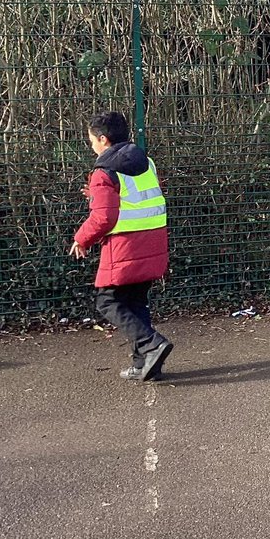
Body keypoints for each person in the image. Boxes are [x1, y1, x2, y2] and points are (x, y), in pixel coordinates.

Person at [70, 111, 173, 380]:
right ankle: (145, 366)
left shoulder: (103, 171)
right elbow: (138, 198)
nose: (91, 144)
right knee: (136, 302)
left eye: (91, 139)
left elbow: (104, 217)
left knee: (107, 301)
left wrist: (82, 238)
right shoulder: (146, 162)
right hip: (153, 240)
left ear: (103, 139)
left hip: (124, 246)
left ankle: (152, 343)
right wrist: (97, 195)